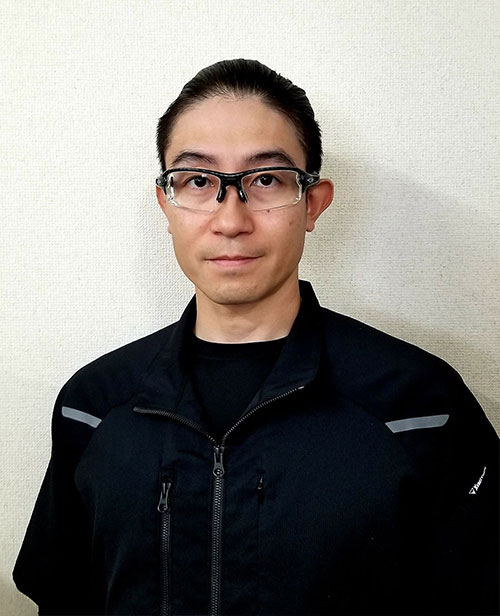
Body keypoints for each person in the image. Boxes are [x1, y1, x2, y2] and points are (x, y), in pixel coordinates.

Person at [13, 59, 499, 616]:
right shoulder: (93, 405)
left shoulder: (420, 405)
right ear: (166, 204)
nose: (230, 220)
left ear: (313, 203)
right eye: (198, 181)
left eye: (266, 180)